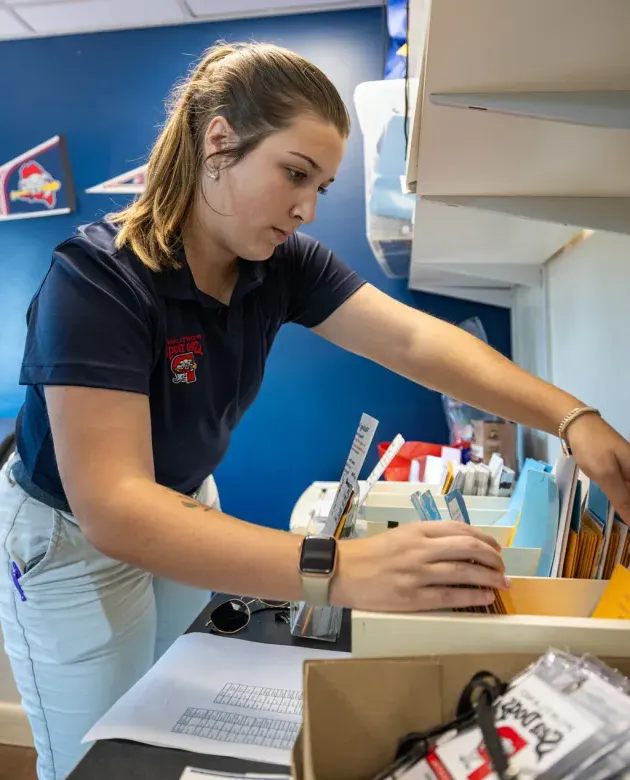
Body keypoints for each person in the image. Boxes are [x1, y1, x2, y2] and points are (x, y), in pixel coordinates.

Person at [0, 40, 629, 780]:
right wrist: (339, 568)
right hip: (71, 537)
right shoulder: (98, 280)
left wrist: (572, 417)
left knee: (169, 718)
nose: (305, 209)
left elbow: (413, 341)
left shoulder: (278, 265)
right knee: (96, 757)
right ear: (219, 142)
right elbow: (117, 511)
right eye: (294, 175)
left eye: (322, 187)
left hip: (184, 502)